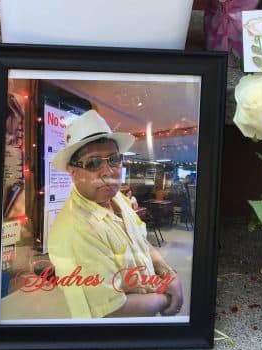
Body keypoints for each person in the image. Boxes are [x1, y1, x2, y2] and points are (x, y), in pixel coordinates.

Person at [48, 109, 183, 318]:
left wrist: (167, 273)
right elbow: (111, 311)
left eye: (113, 159)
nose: (109, 171)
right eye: (93, 163)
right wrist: (165, 298)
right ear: (72, 172)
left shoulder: (116, 197)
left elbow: (138, 240)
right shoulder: (76, 230)